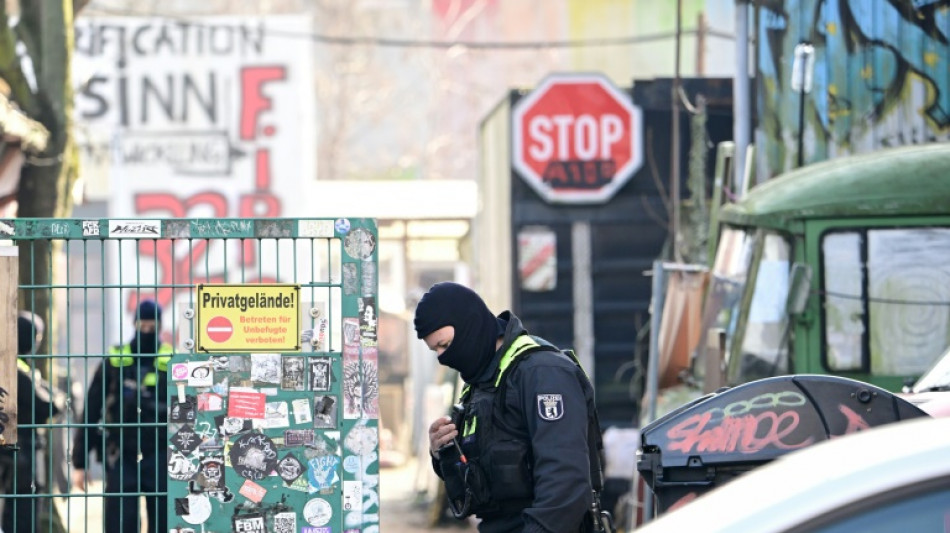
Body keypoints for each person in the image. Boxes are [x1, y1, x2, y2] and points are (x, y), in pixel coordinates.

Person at [415, 282, 607, 533]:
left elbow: (565, 484)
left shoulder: (543, 373)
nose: (444, 357)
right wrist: (443, 453)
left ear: (468, 325)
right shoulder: (480, 384)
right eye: (436, 350)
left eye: (445, 345)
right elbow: (478, 486)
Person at [72, 300, 172, 533]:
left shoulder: (173, 361)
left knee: (164, 521)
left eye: (152, 325)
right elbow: (91, 410)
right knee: (120, 521)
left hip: (162, 452)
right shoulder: (114, 361)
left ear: (159, 326)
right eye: (143, 324)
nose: (146, 330)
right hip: (120, 451)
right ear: (134, 323)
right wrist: (79, 461)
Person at [0, 313, 66, 533]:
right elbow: (47, 406)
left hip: (13, 450)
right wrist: (56, 396)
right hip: (20, 452)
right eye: (36, 336)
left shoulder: (11, 365)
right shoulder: (19, 371)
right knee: (23, 511)